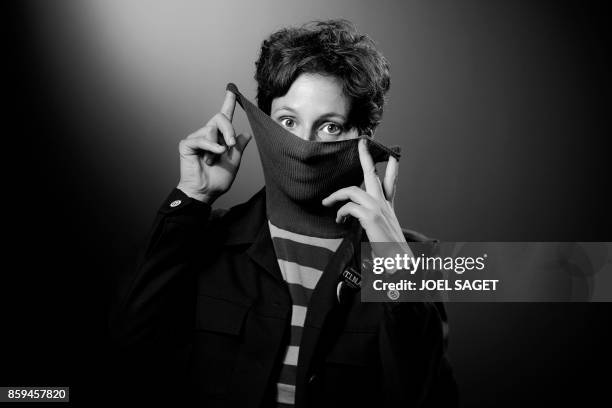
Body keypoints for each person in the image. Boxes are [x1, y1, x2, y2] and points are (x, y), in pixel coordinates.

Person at [109, 19, 458, 407]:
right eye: (288, 121)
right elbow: (129, 356)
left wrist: (395, 264)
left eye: (329, 127)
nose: (303, 145)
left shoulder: (415, 259)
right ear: (265, 121)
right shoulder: (204, 236)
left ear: (364, 136)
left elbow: (426, 397)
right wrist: (192, 198)